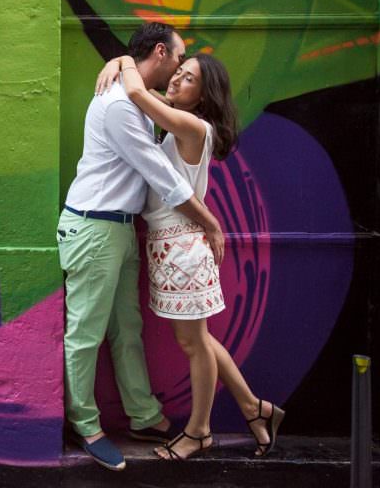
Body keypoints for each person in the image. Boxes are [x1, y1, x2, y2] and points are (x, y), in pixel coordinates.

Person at [95, 50, 285, 461]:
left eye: (189, 79)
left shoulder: (192, 125)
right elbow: (150, 95)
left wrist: (124, 59)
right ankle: (255, 409)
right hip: (170, 245)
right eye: (177, 73)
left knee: (193, 342)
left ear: (204, 95)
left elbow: (138, 93)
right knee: (199, 339)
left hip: (182, 247)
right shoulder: (181, 119)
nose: (177, 80)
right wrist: (126, 70)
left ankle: (199, 432)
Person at [57, 22, 226, 471]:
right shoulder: (120, 105)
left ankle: (142, 413)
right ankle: (86, 424)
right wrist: (211, 223)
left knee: (126, 327)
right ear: (161, 52)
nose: (178, 69)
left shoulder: (139, 100)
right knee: (87, 332)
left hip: (120, 228)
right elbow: (161, 174)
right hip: (95, 228)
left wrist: (121, 60)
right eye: (179, 57)